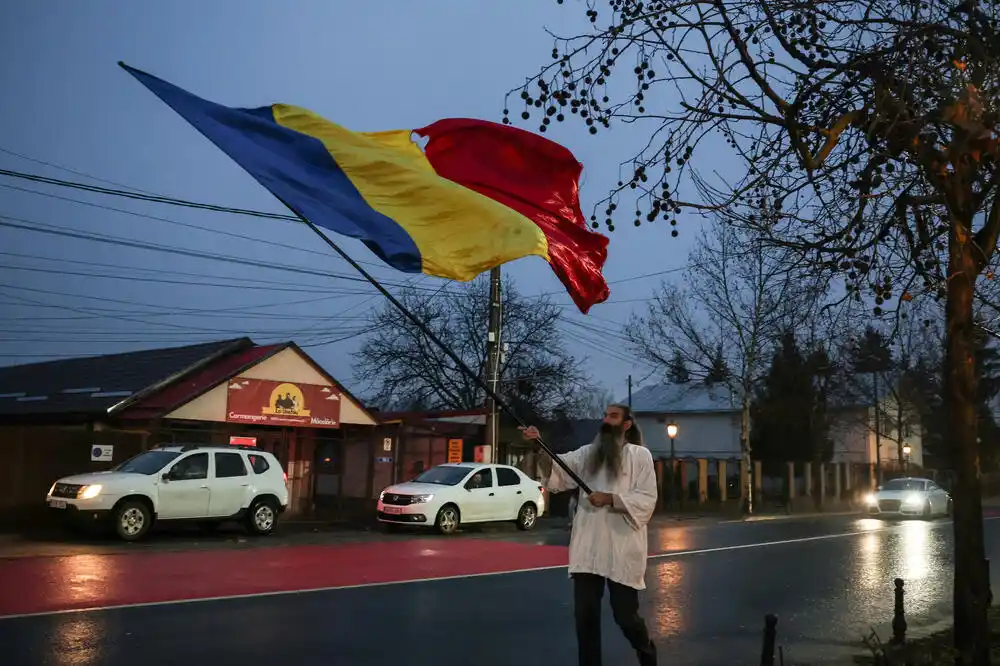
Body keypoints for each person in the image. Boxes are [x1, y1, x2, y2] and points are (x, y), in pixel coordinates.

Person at [520, 403, 658, 666]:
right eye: (605, 415)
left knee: (625, 617)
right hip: (589, 546)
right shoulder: (587, 454)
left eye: (613, 416)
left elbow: (647, 499)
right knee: (585, 616)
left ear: (626, 424)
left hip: (622, 548)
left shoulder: (640, 456)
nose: (606, 419)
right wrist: (539, 444)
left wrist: (610, 498)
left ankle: (646, 651)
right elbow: (558, 471)